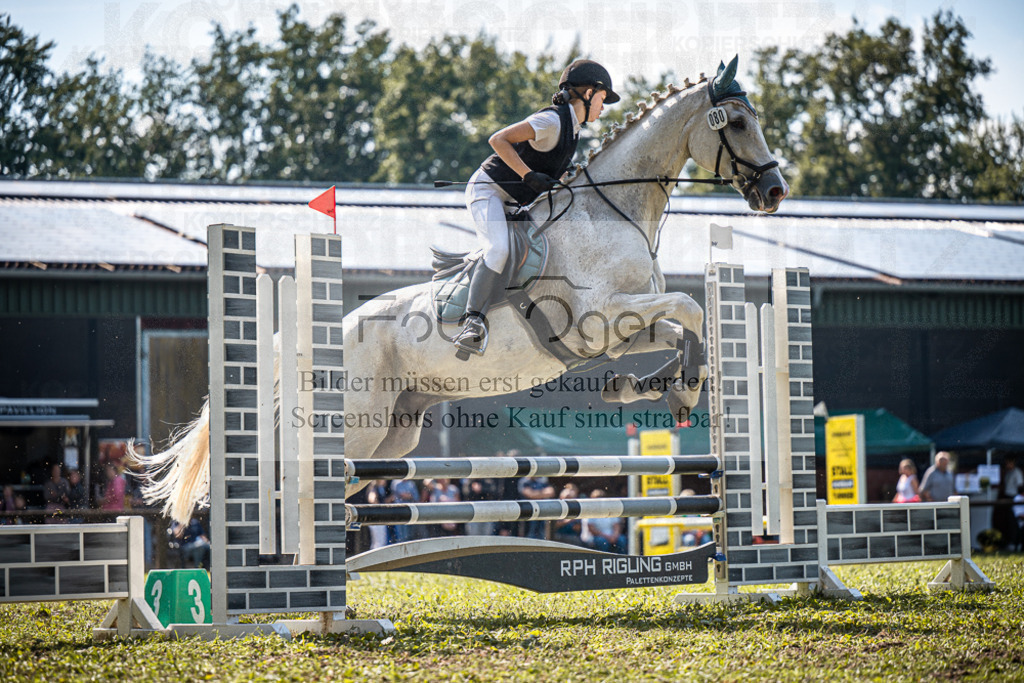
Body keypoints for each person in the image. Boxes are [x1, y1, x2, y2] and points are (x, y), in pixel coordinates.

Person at [452, 59, 620, 357]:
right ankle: (472, 323)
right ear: (588, 93)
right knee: (498, 250)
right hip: (488, 191)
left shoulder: (574, 129)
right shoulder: (553, 120)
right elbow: (498, 139)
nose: (603, 108)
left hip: (516, 203)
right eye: (603, 99)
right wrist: (526, 175)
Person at [583, 489, 627, 554]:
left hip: (611, 536)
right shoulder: (589, 511)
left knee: (621, 540)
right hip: (596, 537)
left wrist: (615, 536)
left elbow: (616, 525)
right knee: (602, 542)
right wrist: (607, 537)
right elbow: (592, 529)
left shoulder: (610, 509)